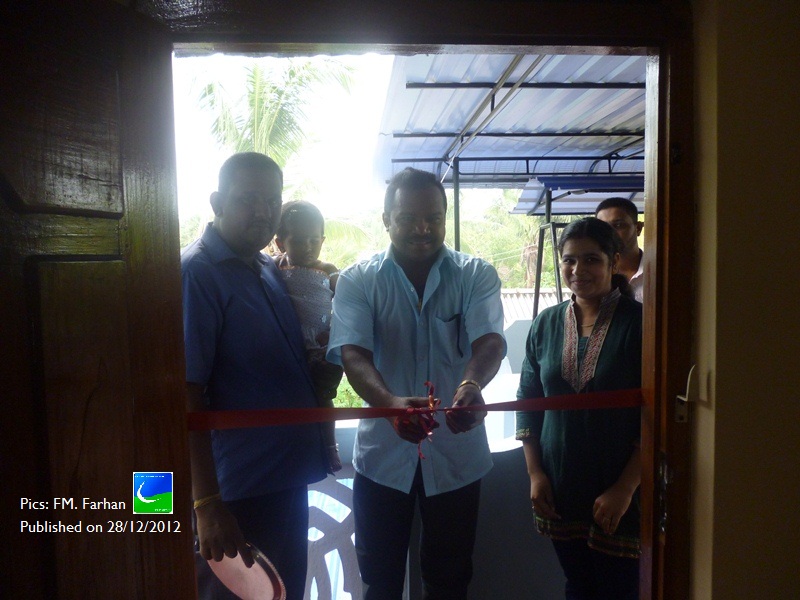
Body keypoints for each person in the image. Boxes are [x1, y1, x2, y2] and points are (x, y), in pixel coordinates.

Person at [327, 167, 507, 600]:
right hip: (382, 458)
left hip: (456, 455)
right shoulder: (358, 280)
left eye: (433, 218)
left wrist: (471, 384)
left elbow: (490, 341)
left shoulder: (476, 275)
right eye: (407, 218)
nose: (422, 229)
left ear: (445, 218)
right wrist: (389, 404)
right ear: (386, 220)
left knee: (450, 580)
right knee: (380, 580)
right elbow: (353, 354)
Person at [182, 152, 332, 600]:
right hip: (235, 491)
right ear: (217, 203)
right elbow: (186, 392)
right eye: (248, 199)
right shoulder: (197, 273)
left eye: (272, 200)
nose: (263, 211)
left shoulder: (268, 268)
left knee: (284, 592)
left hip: (284, 478)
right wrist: (206, 504)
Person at [516, 217, 642, 600]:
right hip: (560, 489)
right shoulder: (545, 324)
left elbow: (655, 416)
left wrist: (626, 488)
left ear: (613, 261)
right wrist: (535, 474)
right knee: (578, 587)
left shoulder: (640, 324)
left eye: (591, 260)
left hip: (618, 492)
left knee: (620, 589)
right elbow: (527, 401)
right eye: (569, 260)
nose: (578, 270)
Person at [273, 199, 343, 473]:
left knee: (324, 397)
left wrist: (335, 334)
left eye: (314, 240)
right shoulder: (274, 268)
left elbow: (347, 304)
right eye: (299, 241)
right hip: (289, 348)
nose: (308, 247)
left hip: (319, 348)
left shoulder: (328, 270)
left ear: (323, 240)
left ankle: (330, 447)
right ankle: (294, 449)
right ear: (280, 243)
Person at [595, 197, 644, 302]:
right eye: (602, 228)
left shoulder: (660, 271)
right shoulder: (595, 276)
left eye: (618, 225)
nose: (609, 233)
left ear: (638, 228)